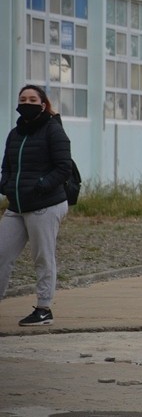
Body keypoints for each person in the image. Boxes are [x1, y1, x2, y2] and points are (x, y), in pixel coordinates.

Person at [0, 85, 72, 326]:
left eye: (32, 99)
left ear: (43, 105)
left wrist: (41, 186)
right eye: (23, 99)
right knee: (1, 255)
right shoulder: (15, 133)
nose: (27, 103)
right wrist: (6, 185)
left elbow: (64, 167)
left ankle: (44, 308)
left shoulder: (53, 130)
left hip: (45, 205)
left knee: (42, 257)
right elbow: (7, 167)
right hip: (16, 206)